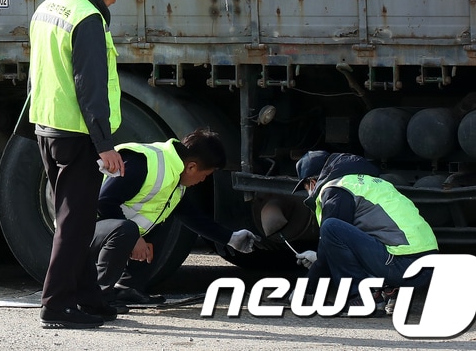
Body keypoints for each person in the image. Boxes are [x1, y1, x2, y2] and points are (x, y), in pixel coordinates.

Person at [18, 0, 134, 329]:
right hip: (78, 134)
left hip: (48, 128)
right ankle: (56, 306)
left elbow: (38, 72)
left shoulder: (49, 7)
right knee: (75, 223)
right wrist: (105, 144)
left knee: (76, 219)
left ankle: (89, 299)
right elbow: (90, 86)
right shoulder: (88, 17)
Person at [92, 128, 261, 307]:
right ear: (192, 167)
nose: (202, 180)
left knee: (164, 216)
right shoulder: (144, 163)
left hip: (111, 230)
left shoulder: (174, 176)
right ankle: (98, 295)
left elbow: (191, 216)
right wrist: (134, 239)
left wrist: (231, 238)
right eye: (204, 175)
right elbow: (103, 202)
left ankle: (127, 288)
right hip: (85, 230)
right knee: (128, 230)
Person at [292, 150, 438, 311]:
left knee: (331, 227)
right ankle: (385, 290)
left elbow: (332, 240)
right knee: (352, 231)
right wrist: (319, 258)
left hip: (403, 264)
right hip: (424, 265)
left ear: (312, 181)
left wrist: (305, 288)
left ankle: (359, 299)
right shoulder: (369, 183)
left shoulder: (336, 189)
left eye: (305, 187)